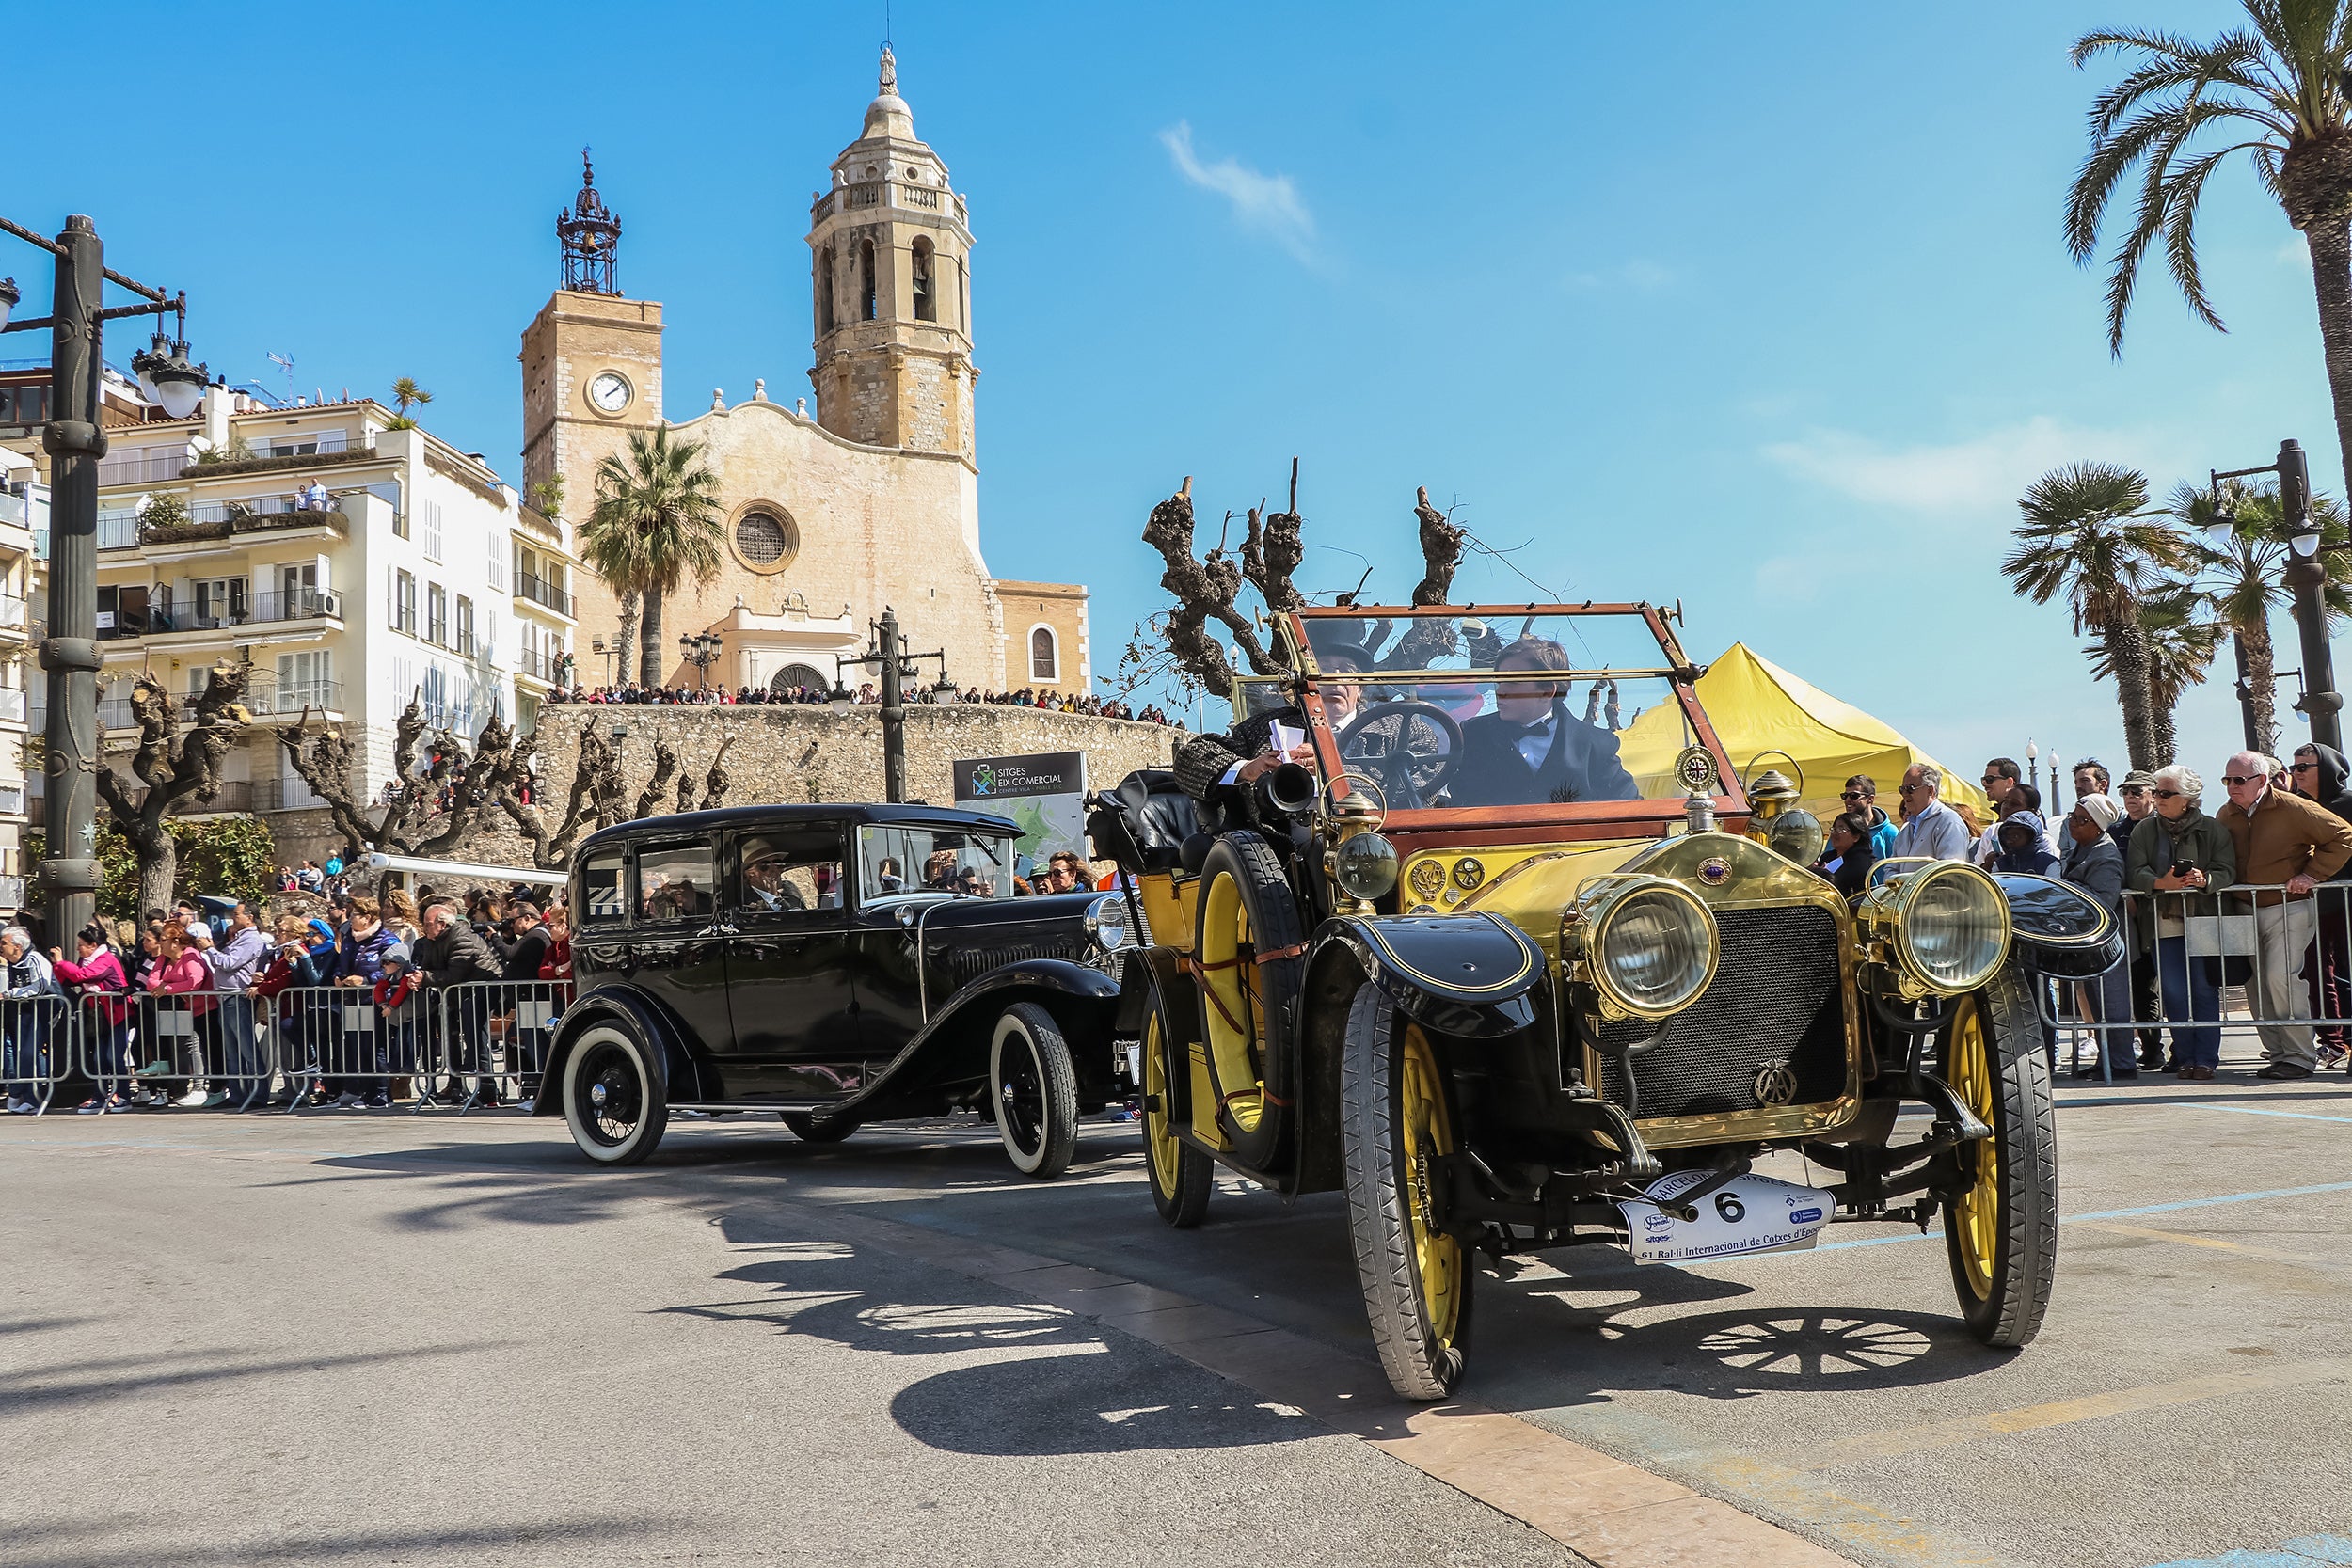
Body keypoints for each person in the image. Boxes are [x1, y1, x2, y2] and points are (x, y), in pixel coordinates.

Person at [2217, 749, 2352, 1080]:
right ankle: (2279, 1054)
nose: (2232, 786)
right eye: (2227, 780)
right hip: (2243, 909)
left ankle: (2300, 1057)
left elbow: (2344, 835)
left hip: (2288, 907)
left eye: (2239, 780)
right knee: (2256, 985)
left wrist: (2313, 875)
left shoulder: (2294, 807)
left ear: (2261, 781)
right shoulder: (2225, 814)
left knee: (2282, 978)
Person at [1173, 645, 1370, 831]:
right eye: (1323, 669)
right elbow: (1190, 757)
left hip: (1378, 837)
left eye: (1346, 670)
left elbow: (1395, 790)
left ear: (1359, 688)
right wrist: (1247, 768)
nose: (1334, 678)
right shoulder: (1266, 726)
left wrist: (1329, 769)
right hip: (1282, 849)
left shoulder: (1393, 729)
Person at [2125, 765, 2236, 1081]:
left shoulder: (2214, 830)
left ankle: (2206, 1060)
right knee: (2174, 992)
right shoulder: (2144, 831)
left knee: (2203, 990)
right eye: (2157, 792)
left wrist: (2206, 879)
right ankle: (2185, 1057)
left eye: (2165, 793)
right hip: (2163, 921)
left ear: (2186, 799)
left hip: (2203, 919)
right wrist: (2161, 883)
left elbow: (2228, 870)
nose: (2157, 798)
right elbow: (2135, 872)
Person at [1451, 636, 1639, 808]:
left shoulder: (1596, 744)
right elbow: (1458, 805)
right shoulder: (1473, 733)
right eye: (1498, 682)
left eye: (1513, 682)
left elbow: (1631, 808)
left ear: (1547, 691)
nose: (1500, 691)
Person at [2062, 795, 2137, 1080]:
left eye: (2081, 820)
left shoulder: (2105, 855)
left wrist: (2072, 890)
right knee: (2096, 1004)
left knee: (2113, 1003)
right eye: (2073, 816)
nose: (2073, 824)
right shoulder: (2082, 849)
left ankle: (2122, 1063)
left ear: (2097, 826)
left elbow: (2103, 899)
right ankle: (2105, 1060)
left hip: (2107, 941)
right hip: (2087, 940)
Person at [2291, 742, 2352, 1069]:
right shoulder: (2294, 806)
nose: (2296, 773)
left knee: (2347, 969)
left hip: (2347, 900)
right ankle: (2333, 1040)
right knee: (2317, 972)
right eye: (2294, 767)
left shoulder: (2349, 803)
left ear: (2325, 769)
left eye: (2304, 767)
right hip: (2312, 903)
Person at [415, 901, 503, 1105]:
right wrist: (419, 976)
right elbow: (429, 966)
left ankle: (488, 1090)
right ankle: (457, 1085)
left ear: (442, 924)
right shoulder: (433, 940)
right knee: (450, 1036)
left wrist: (425, 977)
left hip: (481, 988)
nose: (424, 927)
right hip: (457, 994)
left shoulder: (461, 937)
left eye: (428, 924)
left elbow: (454, 974)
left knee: (476, 1037)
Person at [201, 901, 273, 1108]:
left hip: (238, 998)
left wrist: (210, 950)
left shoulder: (251, 940)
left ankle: (258, 1095)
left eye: (237, 914)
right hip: (226, 997)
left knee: (247, 1049)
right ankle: (237, 1094)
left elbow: (229, 963)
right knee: (232, 1051)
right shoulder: (238, 939)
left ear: (249, 917)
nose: (233, 918)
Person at [56, 922, 134, 1113]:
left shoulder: (106, 959)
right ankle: (99, 1097)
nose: (77, 948)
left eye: (81, 945)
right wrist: (58, 966)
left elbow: (84, 976)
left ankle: (123, 1096)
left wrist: (61, 962)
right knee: (99, 1058)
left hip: (118, 1014)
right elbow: (68, 979)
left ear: (93, 946)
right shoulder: (86, 959)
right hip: (98, 1016)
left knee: (113, 1057)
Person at [145, 921, 220, 1107]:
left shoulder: (190, 955)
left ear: (175, 942)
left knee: (207, 1049)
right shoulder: (163, 958)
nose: (160, 943)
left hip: (205, 1009)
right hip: (183, 1009)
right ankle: (185, 1087)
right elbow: (151, 983)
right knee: (184, 1048)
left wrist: (167, 988)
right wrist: (165, 988)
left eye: (163, 939)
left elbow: (194, 982)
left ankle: (208, 1088)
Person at [1889, 765, 1971, 861]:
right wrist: (1893, 876)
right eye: (1902, 789)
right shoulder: (1906, 829)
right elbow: (1892, 867)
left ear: (1930, 790)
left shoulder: (1949, 822)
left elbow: (1949, 870)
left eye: (1910, 788)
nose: (1905, 794)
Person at [1810, 811, 1877, 897]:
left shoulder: (1862, 860)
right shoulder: (1827, 857)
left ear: (1856, 836)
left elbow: (1841, 883)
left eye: (1841, 829)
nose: (1835, 833)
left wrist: (1822, 874)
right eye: (1833, 828)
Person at [1839, 776, 1899, 861]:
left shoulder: (1889, 832)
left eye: (1854, 796)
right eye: (1845, 796)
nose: (1847, 800)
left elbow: (1898, 866)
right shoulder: (1839, 830)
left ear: (1870, 799)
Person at [1990, 809, 2058, 874]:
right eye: (2007, 836)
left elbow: (2054, 885)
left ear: (2031, 837)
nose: (2009, 841)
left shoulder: (2047, 863)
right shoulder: (2000, 863)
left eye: (2016, 836)